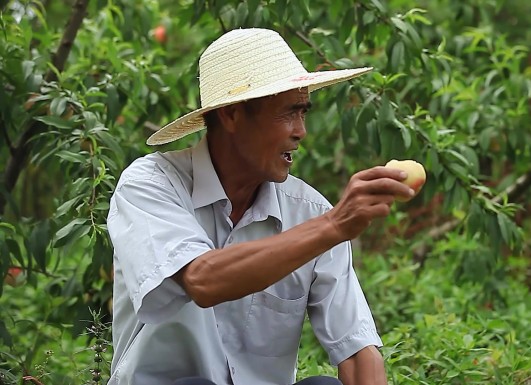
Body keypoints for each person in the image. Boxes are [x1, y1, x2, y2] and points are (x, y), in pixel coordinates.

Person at [106, 28, 415, 385]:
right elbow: (202, 280)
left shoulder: (309, 210)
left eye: (304, 113)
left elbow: (357, 349)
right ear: (232, 115)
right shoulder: (152, 183)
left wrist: (330, 225)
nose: (301, 131)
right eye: (287, 114)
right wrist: (333, 226)